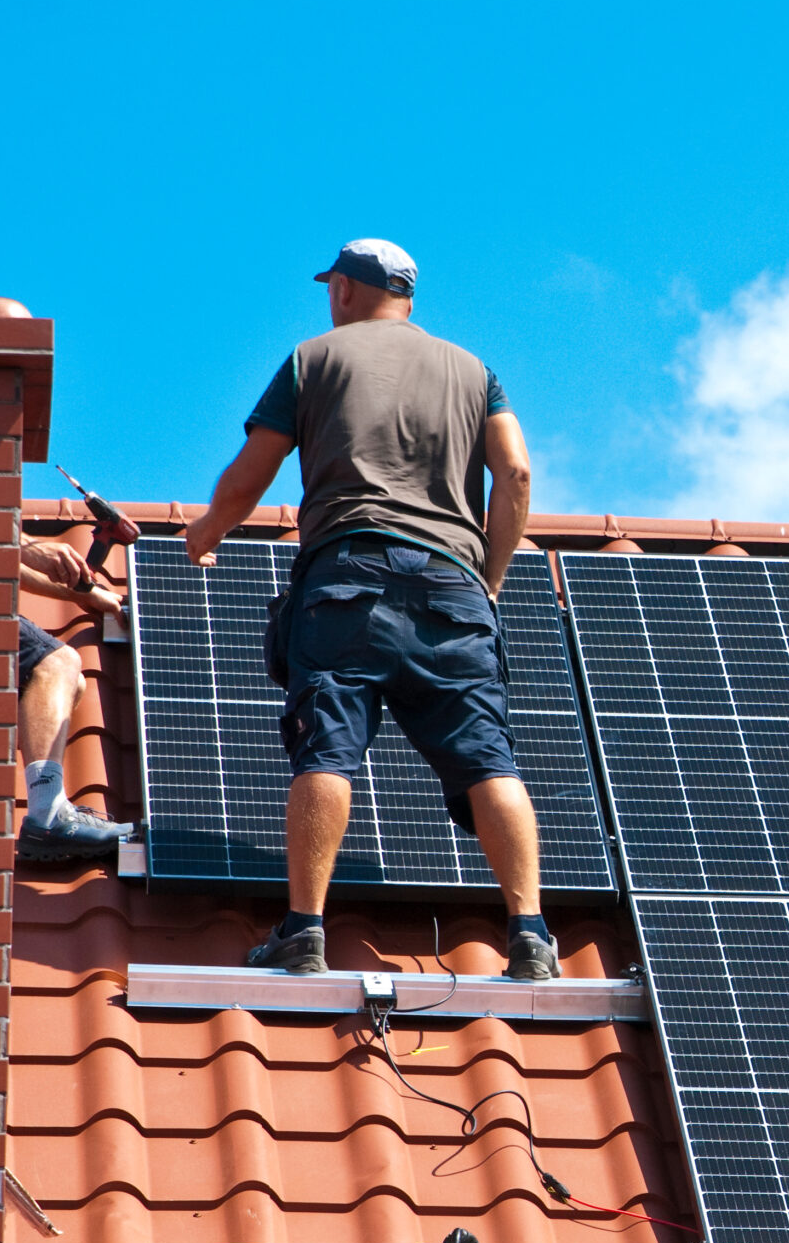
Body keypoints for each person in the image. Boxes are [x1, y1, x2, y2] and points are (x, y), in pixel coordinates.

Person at [180, 239, 551, 979]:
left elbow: (255, 469)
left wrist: (207, 531)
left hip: (347, 577)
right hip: (453, 585)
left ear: (346, 291)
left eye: (332, 288)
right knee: (487, 756)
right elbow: (513, 470)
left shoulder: (313, 359)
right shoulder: (477, 372)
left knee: (327, 749)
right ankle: (531, 935)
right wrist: (490, 576)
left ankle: (305, 929)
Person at [0, 296, 141, 862]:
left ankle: (49, 810)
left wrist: (106, 600)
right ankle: (46, 818)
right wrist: (35, 548)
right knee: (59, 662)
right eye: (12, 338)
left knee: (74, 679)